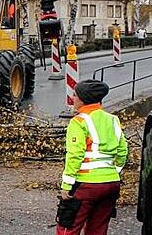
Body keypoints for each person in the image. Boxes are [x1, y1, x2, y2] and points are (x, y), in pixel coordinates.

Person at [56, 80, 128, 235]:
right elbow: (123, 151)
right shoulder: (113, 120)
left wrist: (66, 185)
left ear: (83, 99)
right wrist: (113, 171)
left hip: (86, 185)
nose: (73, 98)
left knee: (67, 227)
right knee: (97, 229)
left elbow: (75, 155)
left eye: (75, 95)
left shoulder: (79, 121)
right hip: (111, 184)